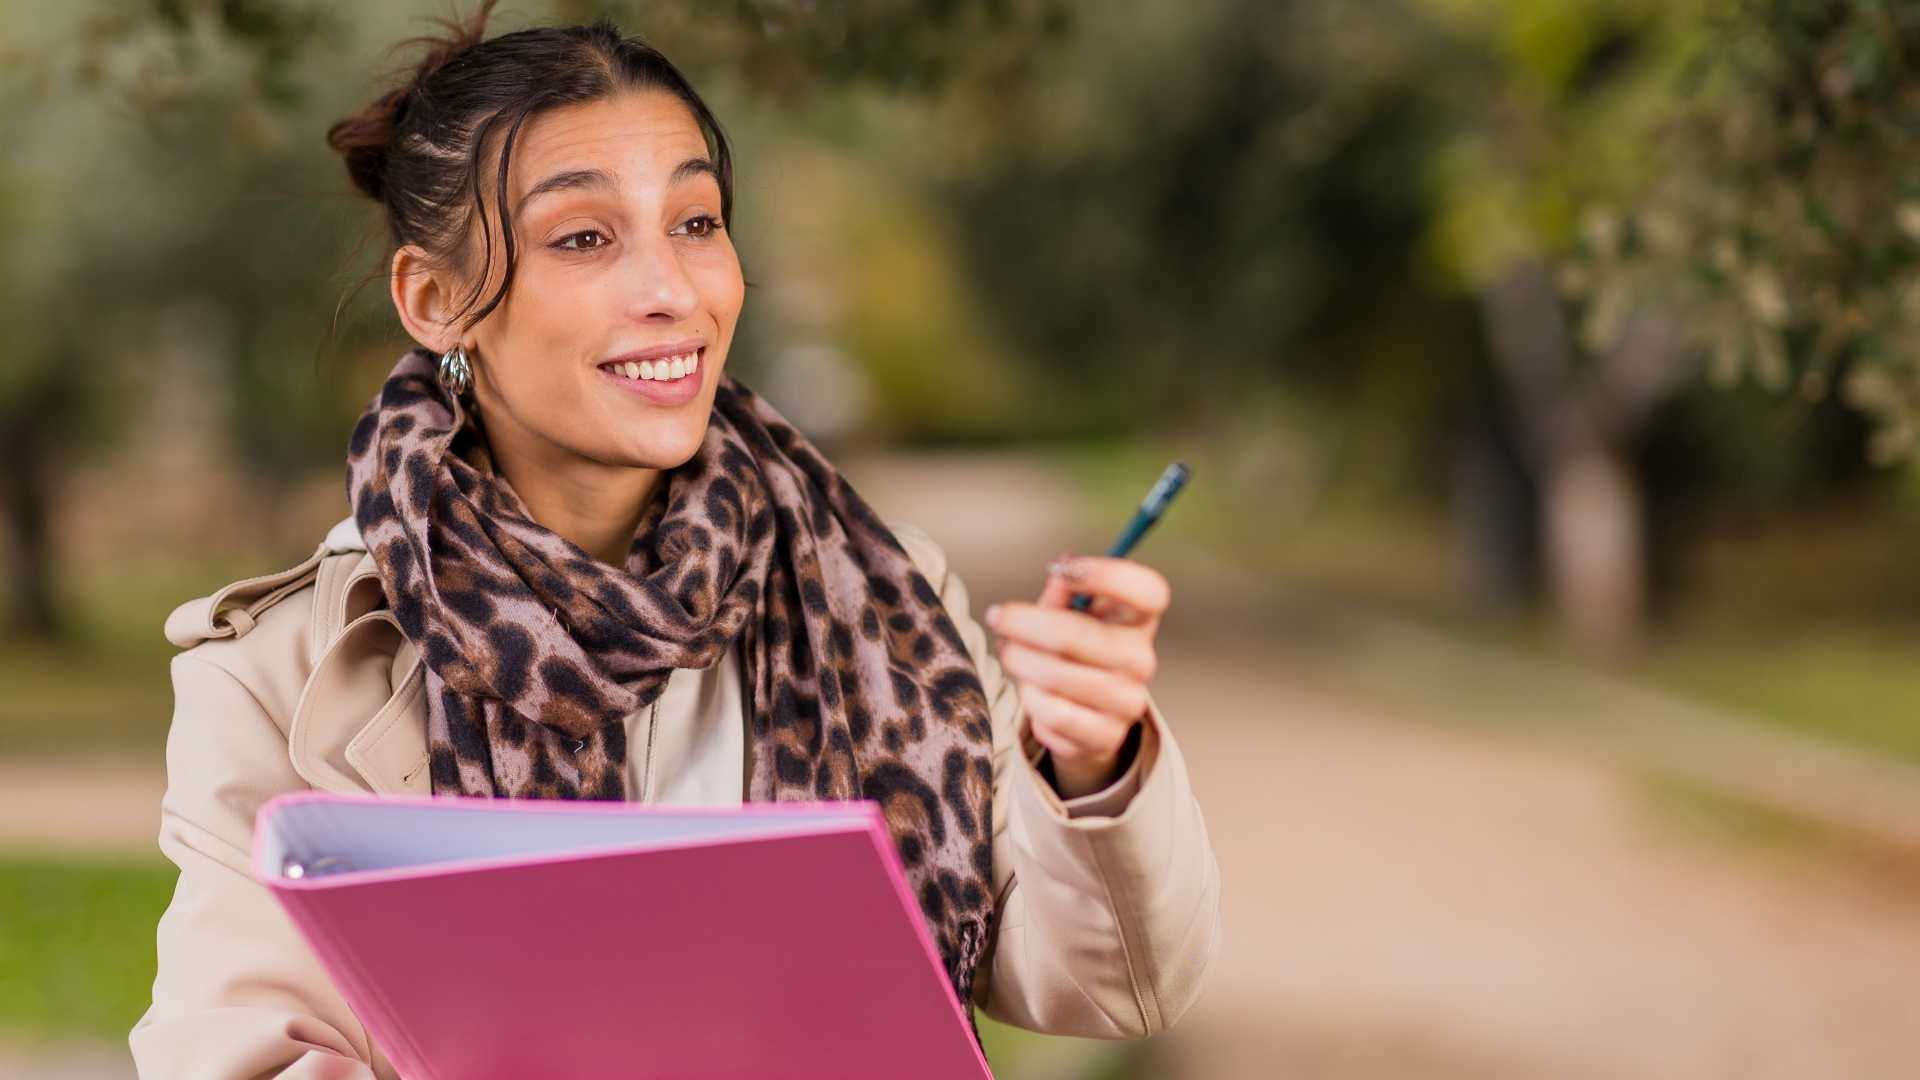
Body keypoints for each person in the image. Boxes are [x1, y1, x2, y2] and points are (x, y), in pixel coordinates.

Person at [130, 6, 1221, 1077]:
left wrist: (1090, 765)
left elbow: (1109, 984)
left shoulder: (885, 593)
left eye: (696, 223)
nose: (672, 290)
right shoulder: (280, 676)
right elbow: (231, 1059)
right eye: (584, 237)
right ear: (435, 299)